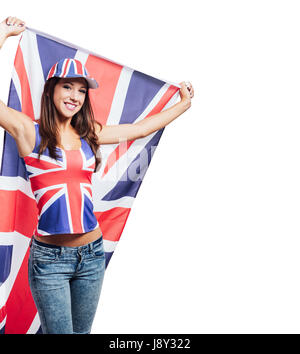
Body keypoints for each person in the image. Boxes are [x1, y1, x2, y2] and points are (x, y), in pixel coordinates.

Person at [0, 16, 194, 334]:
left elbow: (140, 128)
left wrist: (183, 105)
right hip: (50, 260)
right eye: (67, 86)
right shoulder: (27, 131)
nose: (74, 96)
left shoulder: (89, 133)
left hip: (91, 254)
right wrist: (3, 34)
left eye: (80, 91)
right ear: (50, 90)